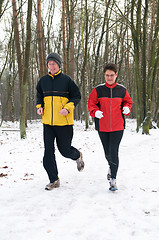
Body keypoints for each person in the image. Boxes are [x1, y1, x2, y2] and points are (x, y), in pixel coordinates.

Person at [36, 52, 84, 190]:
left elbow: (76, 96)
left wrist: (68, 108)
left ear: (59, 65)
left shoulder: (67, 80)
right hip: (48, 124)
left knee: (64, 150)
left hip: (64, 123)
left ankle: (77, 156)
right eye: (49, 64)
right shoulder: (43, 81)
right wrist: (40, 107)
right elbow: (39, 96)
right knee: (48, 153)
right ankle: (54, 179)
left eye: (54, 64)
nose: (51, 66)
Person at [88, 63, 133, 191]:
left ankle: (113, 179)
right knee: (107, 152)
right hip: (102, 126)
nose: (109, 78)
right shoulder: (98, 90)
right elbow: (91, 103)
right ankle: (111, 166)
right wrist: (95, 111)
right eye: (107, 75)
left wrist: (126, 108)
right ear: (104, 75)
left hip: (118, 127)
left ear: (116, 75)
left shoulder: (122, 90)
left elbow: (128, 102)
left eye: (112, 75)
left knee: (114, 151)